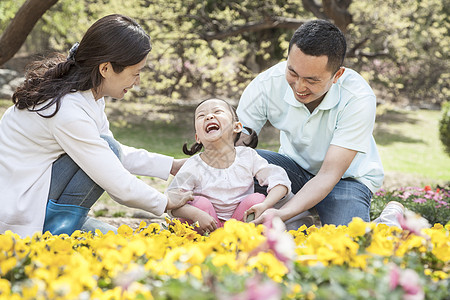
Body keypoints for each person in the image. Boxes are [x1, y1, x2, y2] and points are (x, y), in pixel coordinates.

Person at [0, 14, 193, 237]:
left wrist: (171, 165)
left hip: (33, 195)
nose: (137, 81)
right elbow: (114, 179)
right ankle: (54, 232)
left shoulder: (87, 95)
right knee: (107, 152)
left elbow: (108, 152)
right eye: (135, 73)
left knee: (119, 240)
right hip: (17, 214)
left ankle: (66, 223)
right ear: (106, 68)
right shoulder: (67, 110)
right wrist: (167, 201)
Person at [236, 19, 384, 226]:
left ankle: (389, 221)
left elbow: (328, 174)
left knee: (347, 243)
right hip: (293, 168)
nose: (299, 86)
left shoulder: (357, 97)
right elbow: (234, 148)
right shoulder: (266, 84)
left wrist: (281, 213)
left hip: (345, 179)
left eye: (312, 80)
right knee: (240, 159)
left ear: (337, 75)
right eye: (292, 73)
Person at [166, 98, 292, 234]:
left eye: (217, 111)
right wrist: (195, 214)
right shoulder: (194, 165)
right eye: (201, 116)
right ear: (198, 137)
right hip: (204, 226)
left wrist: (265, 204)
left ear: (236, 127)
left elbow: (279, 181)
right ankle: (203, 244)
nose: (209, 116)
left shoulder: (247, 156)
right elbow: (171, 202)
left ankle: (261, 243)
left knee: (257, 199)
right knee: (198, 203)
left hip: (240, 225)